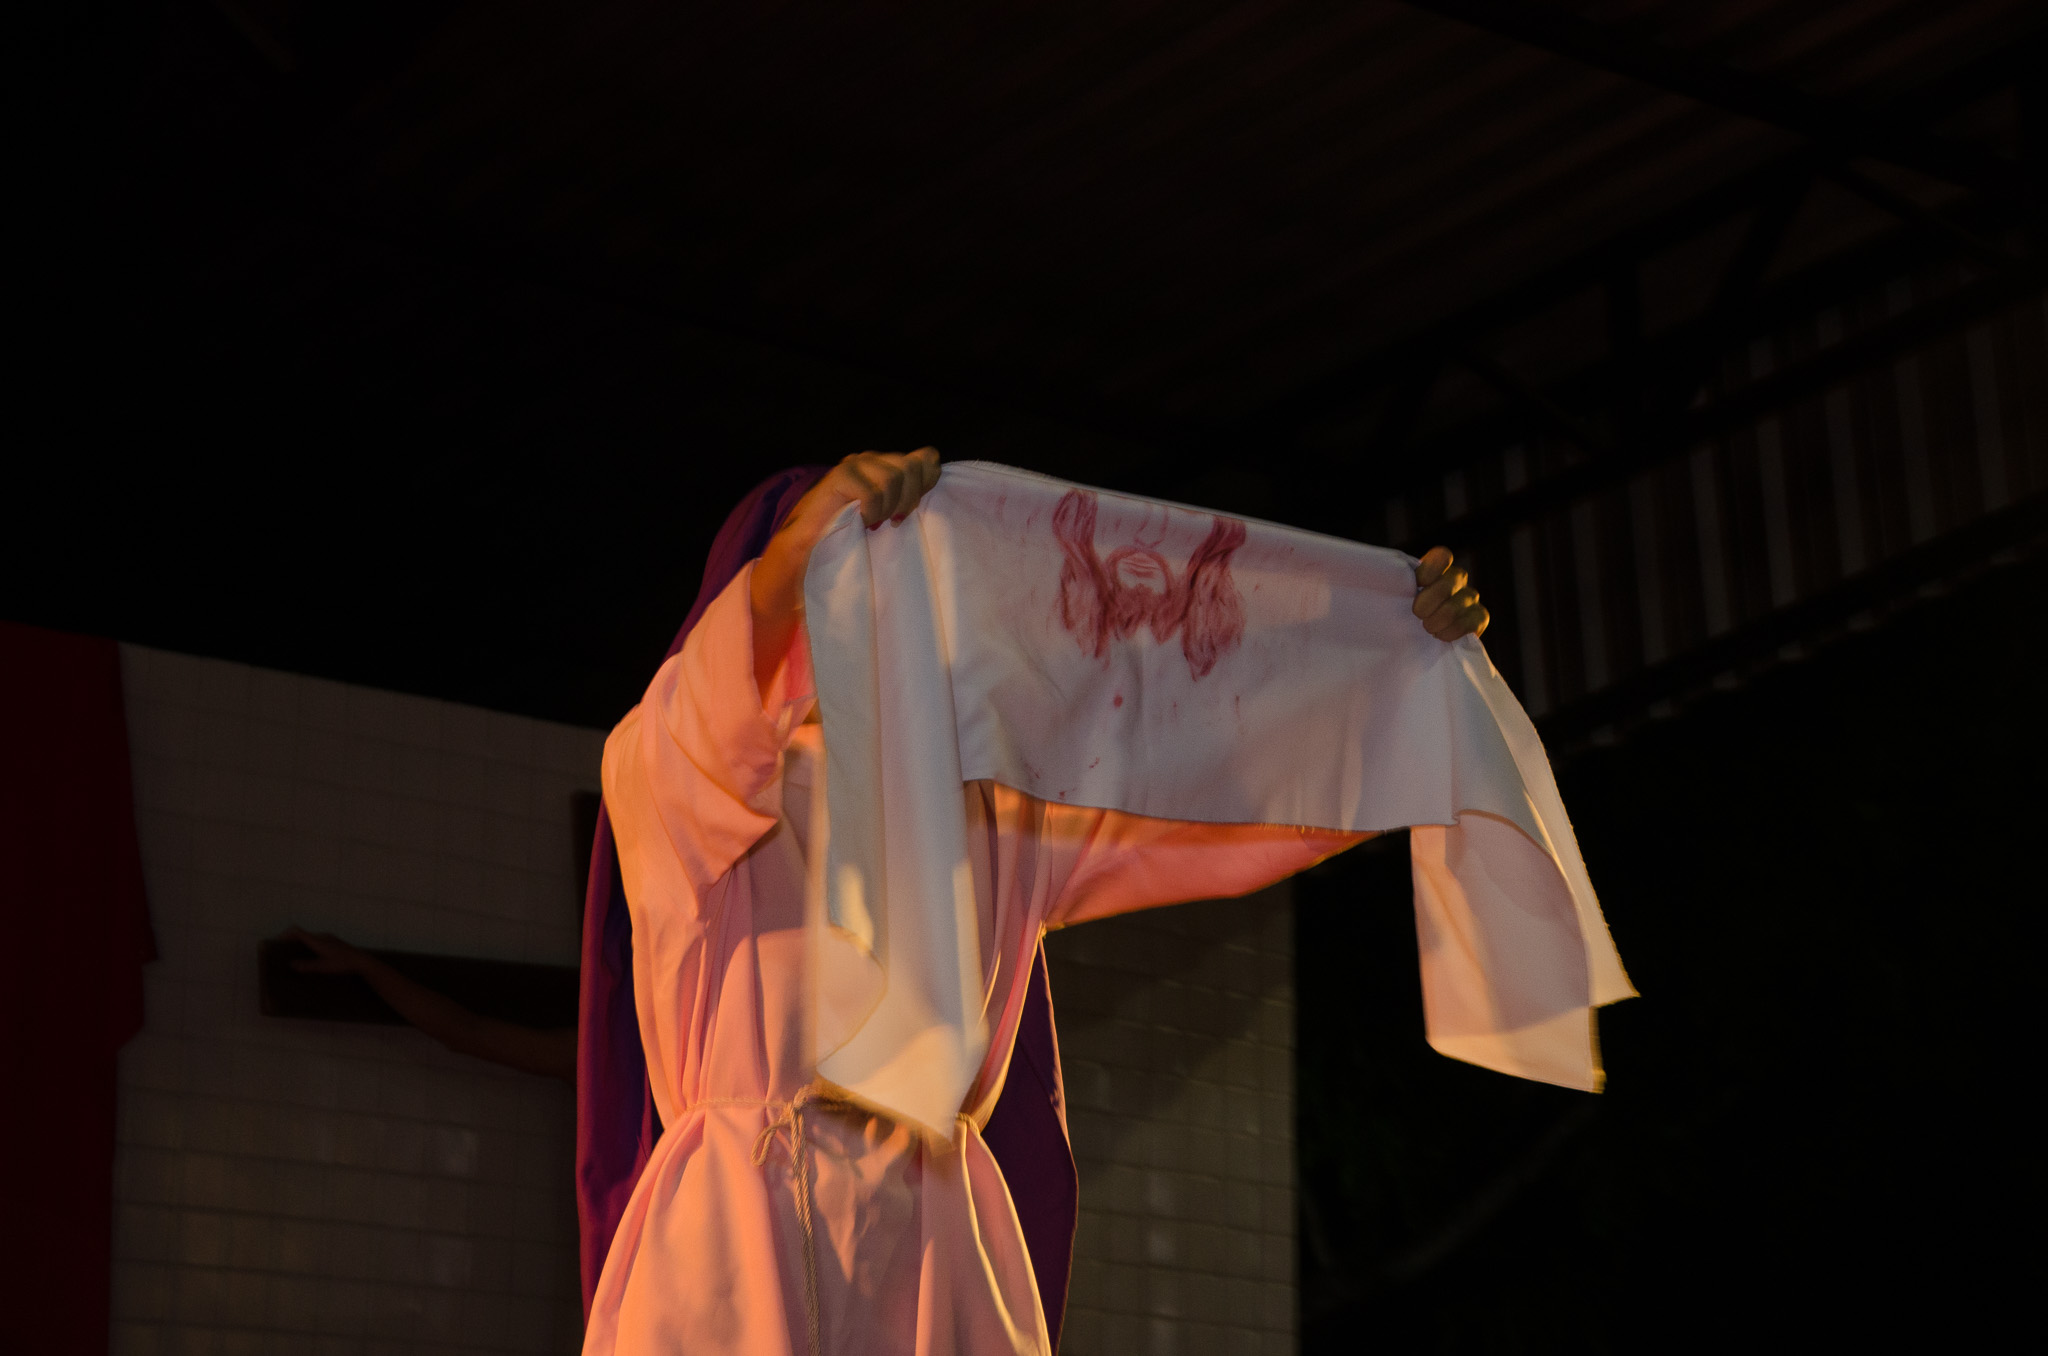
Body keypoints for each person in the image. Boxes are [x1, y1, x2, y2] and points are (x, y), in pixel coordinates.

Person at [581, 449, 1490, 1356]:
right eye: (848, 569)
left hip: (932, 1242)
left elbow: (1223, 793)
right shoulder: (681, 780)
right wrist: (794, 558)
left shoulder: (992, 806)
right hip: (742, 1236)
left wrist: (1398, 678)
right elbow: (712, 699)